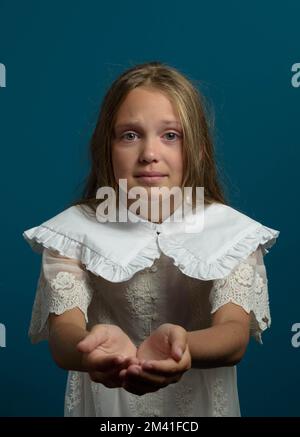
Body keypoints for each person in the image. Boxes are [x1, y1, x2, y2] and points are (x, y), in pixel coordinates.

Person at [23, 61, 280, 417]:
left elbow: (233, 334)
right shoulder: (72, 232)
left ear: (199, 150)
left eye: (171, 135)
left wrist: (183, 344)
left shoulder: (230, 232)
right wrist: (92, 347)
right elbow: (64, 334)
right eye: (130, 135)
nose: (149, 154)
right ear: (107, 148)